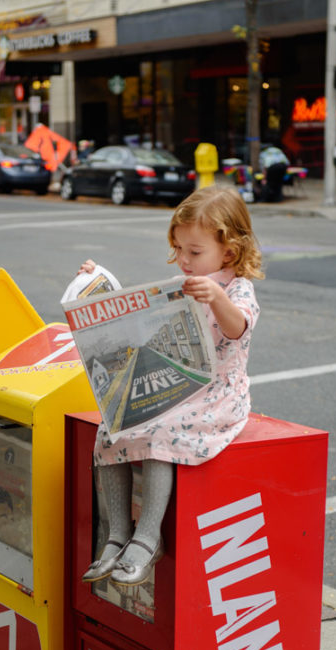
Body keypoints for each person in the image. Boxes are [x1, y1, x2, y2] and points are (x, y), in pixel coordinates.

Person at [80, 185, 263, 587]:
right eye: (179, 249)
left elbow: (236, 328)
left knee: (161, 434)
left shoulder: (236, 290)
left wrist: (216, 297)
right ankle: (117, 534)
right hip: (175, 384)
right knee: (113, 426)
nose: (183, 259)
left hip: (215, 396)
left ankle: (148, 538)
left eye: (194, 252)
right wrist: (98, 285)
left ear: (229, 251)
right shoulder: (187, 280)